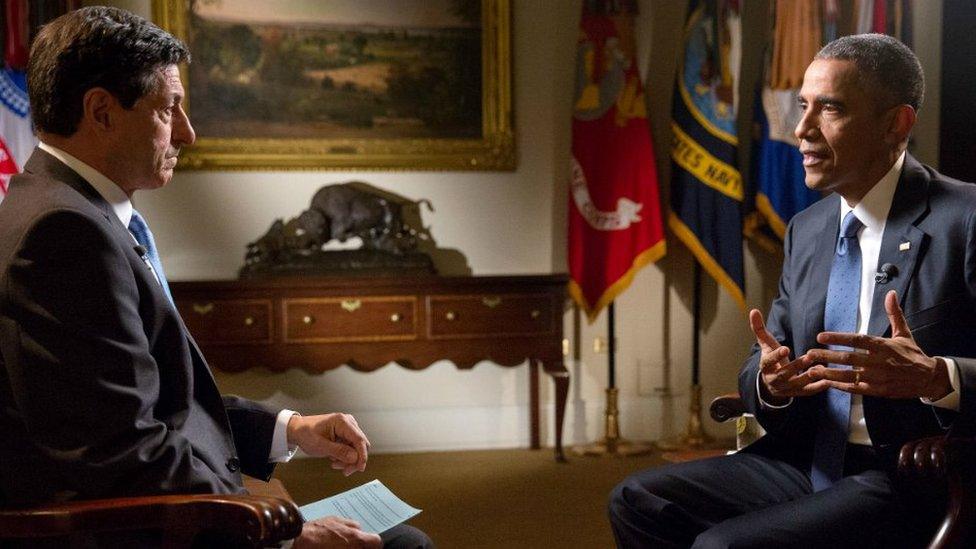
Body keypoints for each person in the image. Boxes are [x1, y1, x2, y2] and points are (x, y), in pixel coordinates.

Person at [0, 7, 431, 548]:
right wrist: (285, 533)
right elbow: (123, 453)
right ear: (101, 112)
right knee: (406, 544)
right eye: (170, 109)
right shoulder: (65, 234)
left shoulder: (61, 208)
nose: (188, 133)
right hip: (126, 530)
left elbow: (150, 405)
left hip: (146, 511)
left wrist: (290, 429)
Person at [609, 33, 976, 548]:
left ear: (897, 124)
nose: (801, 130)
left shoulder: (966, 217)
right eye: (802, 106)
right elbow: (764, 355)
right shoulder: (807, 228)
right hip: (804, 460)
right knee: (636, 500)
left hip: (904, 473)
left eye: (829, 109)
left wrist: (940, 375)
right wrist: (770, 384)